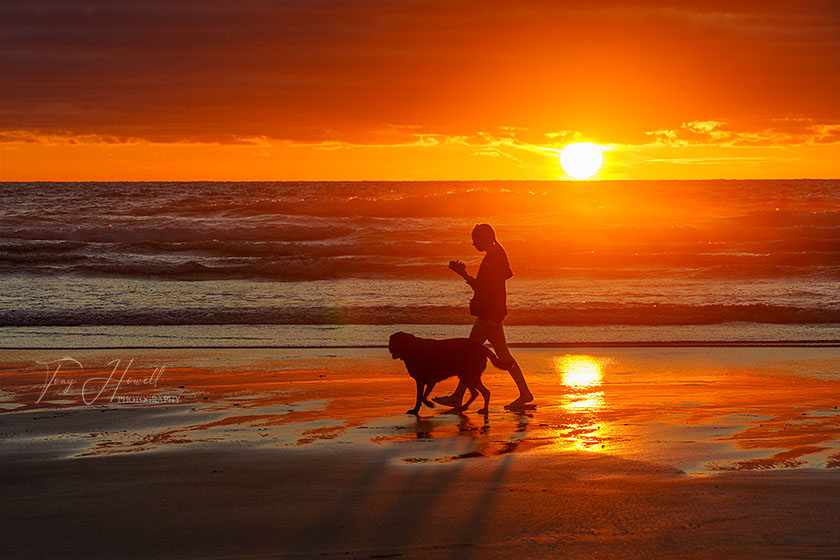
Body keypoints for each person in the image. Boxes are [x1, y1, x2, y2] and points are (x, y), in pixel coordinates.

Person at [434, 223, 534, 410]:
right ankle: (524, 393)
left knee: (474, 354)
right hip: (492, 314)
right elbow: (496, 283)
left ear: (485, 238)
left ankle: (457, 397)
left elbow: (482, 289)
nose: (473, 244)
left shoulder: (493, 258)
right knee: (496, 356)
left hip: (490, 316)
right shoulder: (498, 254)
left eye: (475, 239)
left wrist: (462, 273)